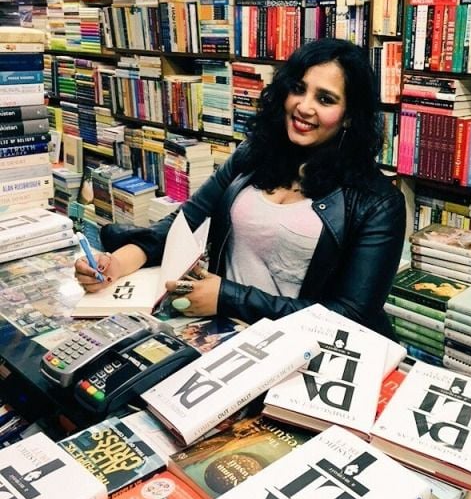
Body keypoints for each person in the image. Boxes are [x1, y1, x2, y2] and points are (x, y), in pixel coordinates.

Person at [74, 38, 406, 336]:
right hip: (217, 332)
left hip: (293, 350)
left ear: (349, 116)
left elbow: (351, 316)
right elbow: (185, 223)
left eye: (325, 99)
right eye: (299, 89)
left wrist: (229, 298)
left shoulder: (377, 202)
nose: (304, 107)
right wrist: (115, 264)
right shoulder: (253, 155)